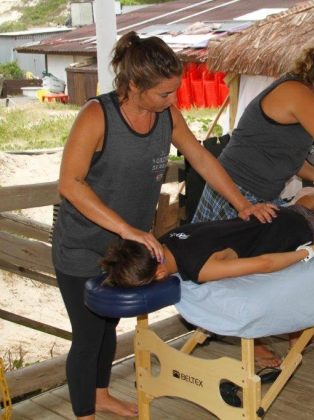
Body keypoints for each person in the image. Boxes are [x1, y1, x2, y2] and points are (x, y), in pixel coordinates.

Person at [51, 31, 275, 420]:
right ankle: (84, 412)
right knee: (88, 335)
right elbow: (69, 183)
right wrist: (128, 229)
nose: (174, 102)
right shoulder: (97, 115)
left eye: (175, 93)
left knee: (107, 325)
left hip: (124, 247)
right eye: (165, 94)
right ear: (134, 85)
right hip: (81, 243)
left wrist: (242, 205)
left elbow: (201, 159)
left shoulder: (166, 115)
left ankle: (100, 395)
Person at [193, 40, 314, 224]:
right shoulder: (298, 94)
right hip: (235, 192)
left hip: (256, 195)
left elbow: (288, 157)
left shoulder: (300, 93)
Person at [101, 180, 314, 287]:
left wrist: (307, 252)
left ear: (160, 274)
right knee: (298, 208)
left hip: (291, 232)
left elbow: (264, 264)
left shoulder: (200, 268)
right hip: (267, 216)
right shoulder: (167, 239)